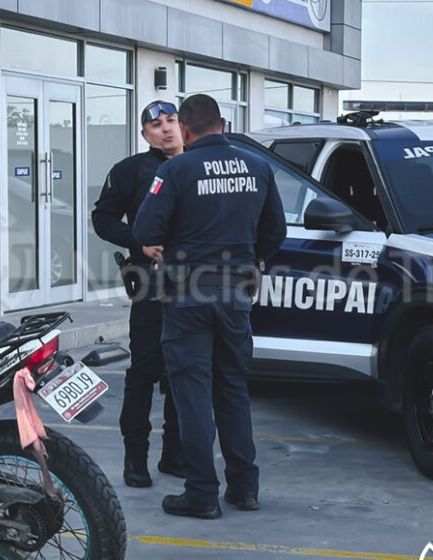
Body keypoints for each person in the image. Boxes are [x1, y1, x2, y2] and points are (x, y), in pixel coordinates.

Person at [132, 93, 287, 519]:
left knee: (192, 394)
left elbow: (145, 228)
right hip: (237, 294)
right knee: (233, 390)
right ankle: (244, 487)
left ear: (184, 129)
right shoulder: (258, 167)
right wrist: (249, 259)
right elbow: (276, 231)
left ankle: (201, 493)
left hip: (187, 297)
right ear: (223, 123)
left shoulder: (176, 168)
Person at [91, 100, 186, 488]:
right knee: (144, 373)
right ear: (144, 134)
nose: (166, 129)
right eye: (156, 125)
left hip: (194, 286)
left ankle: (175, 456)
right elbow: (103, 217)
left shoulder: (198, 166)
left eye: (172, 121)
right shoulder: (130, 171)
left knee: (185, 373)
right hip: (150, 283)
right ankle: (136, 461)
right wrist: (138, 243)